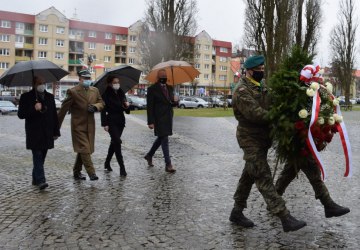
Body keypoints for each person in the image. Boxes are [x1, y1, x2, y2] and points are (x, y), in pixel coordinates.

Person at [229, 55, 307, 232]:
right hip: (249, 139)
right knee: (263, 176)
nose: (262, 72)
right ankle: (284, 216)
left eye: (263, 69)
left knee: (249, 174)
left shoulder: (262, 87)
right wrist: (279, 117)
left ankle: (236, 211)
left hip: (262, 139)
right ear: (248, 71)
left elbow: (275, 102)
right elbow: (256, 114)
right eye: (258, 70)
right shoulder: (241, 91)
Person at [58, 69, 104, 181]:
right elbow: (63, 110)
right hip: (78, 126)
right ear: (80, 79)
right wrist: (56, 127)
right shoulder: (72, 91)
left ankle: (76, 172)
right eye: (85, 78)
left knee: (83, 150)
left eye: (89, 78)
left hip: (90, 126)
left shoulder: (95, 90)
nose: (87, 80)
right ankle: (91, 173)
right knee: (85, 148)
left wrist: (95, 107)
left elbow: (102, 103)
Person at [18, 75, 60, 190]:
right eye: (39, 83)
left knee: (42, 157)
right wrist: (34, 109)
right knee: (37, 155)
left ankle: (35, 178)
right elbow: (21, 115)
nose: (42, 85)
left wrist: (56, 131)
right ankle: (41, 180)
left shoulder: (50, 97)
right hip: (34, 132)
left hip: (47, 132)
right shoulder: (26, 97)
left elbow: (54, 116)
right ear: (34, 84)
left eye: (44, 82)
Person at [144, 69, 177, 173]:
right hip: (158, 118)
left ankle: (149, 155)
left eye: (165, 76)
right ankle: (168, 164)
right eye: (162, 76)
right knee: (165, 139)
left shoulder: (170, 88)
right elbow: (150, 107)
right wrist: (150, 121)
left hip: (168, 117)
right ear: (158, 77)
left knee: (161, 138)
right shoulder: (152, 89)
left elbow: (171, 103)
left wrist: (176, 101)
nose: (164, 78)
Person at [101, 75, 130, 176]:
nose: (117, 84)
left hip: (120, 121)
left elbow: (126, 110)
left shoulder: (121, 93)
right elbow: (103, 110)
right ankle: (122, 168)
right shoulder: (105, 94)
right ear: (110, 83)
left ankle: (107, 163)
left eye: (118, 82)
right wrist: (104, 124)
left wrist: (127, 106)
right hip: (111, 121)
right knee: (117, 142)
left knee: (114, 142)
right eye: (114, 82)